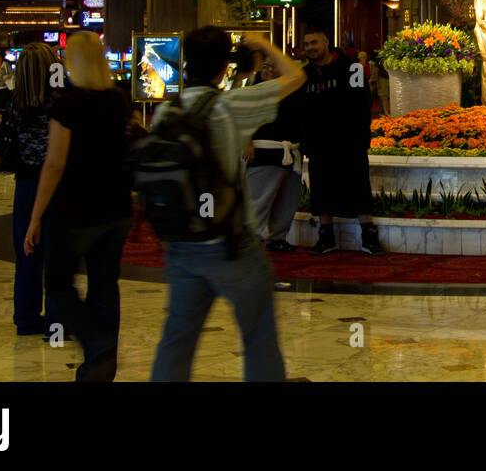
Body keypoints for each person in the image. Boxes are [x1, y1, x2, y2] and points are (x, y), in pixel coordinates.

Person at [149, 28, 306, 382]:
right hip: (231, 244)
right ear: (224, 65)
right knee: (258, 333)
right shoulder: (231, 105)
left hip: (182, 244)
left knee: (177, 337)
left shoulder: (165, 113)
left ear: (186, 63)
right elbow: (296, 76)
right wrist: (263, 44)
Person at [23, 31, 133, 381]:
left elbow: (54, 164)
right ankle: (101, 365)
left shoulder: (67, 104)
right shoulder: (120, 100)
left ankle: (96, 345)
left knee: (57, 285)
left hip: (77, 210)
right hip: (116, 207)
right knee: (105, 284)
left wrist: (35, 215)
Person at [0, 43, 59, 336]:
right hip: (55, 185)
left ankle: (26, 317)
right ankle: (57, 319)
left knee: (27, 252)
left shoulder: (16, 104)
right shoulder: (59, 103)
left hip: (26, 185)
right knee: (56, 256)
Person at [295, 27, 383, 255]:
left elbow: (362, 105)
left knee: (359, 188)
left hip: (349, 143)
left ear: (326, 42)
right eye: (306, 45)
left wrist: (360, 137)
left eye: (314, 42)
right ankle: (326, 237)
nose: (310, 48)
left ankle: (369, 237)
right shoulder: (303, 75)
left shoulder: (351, 68)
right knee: (321, 191)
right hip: (318, 145)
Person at [241, 44, 304, 254]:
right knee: (259, 200)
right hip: (263, 152)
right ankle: (252, 238)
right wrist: (247, 141)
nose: (268, 70)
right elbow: (243, 117)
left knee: (286, 200)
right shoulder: (252, 89)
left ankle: (278, 236)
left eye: (273, 66)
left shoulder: (290, 89)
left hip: (289, 151)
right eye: (265, 66)